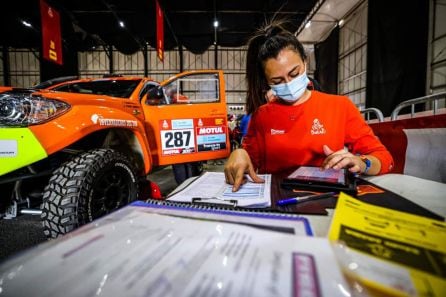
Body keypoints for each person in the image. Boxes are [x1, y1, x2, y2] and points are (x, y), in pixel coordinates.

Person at [224, 21, 394, 192]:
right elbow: (248, 162)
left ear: (305, 63)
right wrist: (238, 154)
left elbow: (384, 158)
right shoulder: (262, 116)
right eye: (277, 81)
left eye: (294, 73)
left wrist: (363, 163)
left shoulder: (340, 106)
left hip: (325, 197)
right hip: (278, 200)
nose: (289, 84)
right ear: (267, 82)